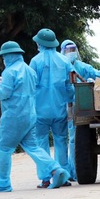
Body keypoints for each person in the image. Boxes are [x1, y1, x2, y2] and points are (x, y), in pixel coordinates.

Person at [0, 41, 70, 193]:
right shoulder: (29, 70)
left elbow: (4, 93)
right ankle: (56, 169)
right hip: (30, 115)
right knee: (33, 147)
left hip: (13, 116)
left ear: (8, 56)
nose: (3, 61)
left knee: (3, 148)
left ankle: (3, 183)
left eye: (4, 57)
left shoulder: (9, 72)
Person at [60, 38, 100, 180]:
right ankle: (66, 172)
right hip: (63, 105)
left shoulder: (82, 66)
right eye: (68, 50)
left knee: (74, 139)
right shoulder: (59, 66)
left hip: (79, 106)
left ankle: (74, 172)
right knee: (63, 139)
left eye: (73, 50)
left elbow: (98, 74)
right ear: (62, 51)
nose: (71, 53)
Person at [29, 29, 74, 187]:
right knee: (61, 141)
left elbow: (31, 86)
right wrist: (70, 102)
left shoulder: (35, 61)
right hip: (59, 109)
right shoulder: (64, 61)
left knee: (41, 144)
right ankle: (63, 176)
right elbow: (70, 87)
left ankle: (46, 178)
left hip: (40, 110)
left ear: (40, 43)